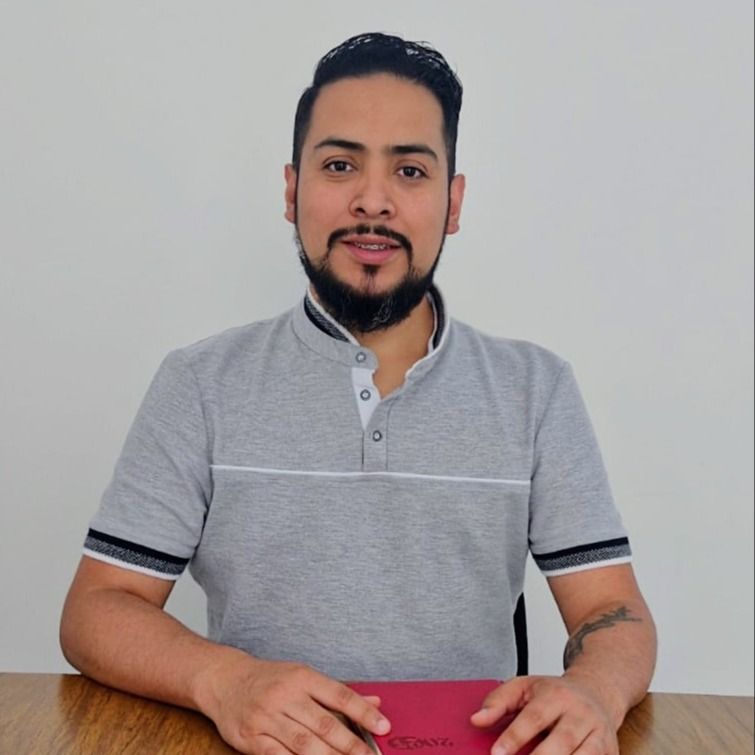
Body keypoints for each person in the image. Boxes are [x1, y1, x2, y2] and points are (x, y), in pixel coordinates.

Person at [60, 32, 656, 755]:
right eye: (339, 165)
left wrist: (596, 690)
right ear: (291, 190)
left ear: (453, 202)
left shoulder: (536, 390)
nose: (373, 201)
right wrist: (225, 680)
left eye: (410, 170)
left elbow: (610, 607)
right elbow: (97, 609)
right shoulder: (200, 383)